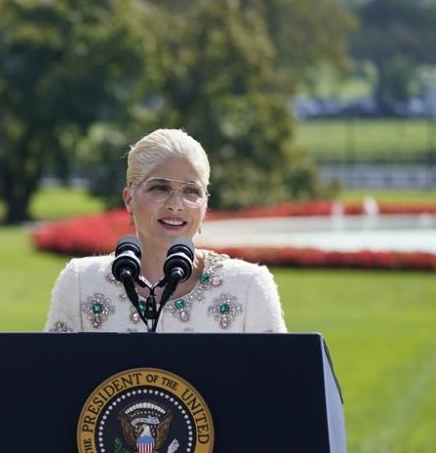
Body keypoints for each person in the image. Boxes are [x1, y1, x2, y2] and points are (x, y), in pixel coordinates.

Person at [45, 128, 286, 333]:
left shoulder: (247, 287)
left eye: (191, 191)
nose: (176, 204)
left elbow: (279, 385)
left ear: (205, 204)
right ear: (129, 200)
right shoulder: (81, 283)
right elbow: (53, 382)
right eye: (159, 187)